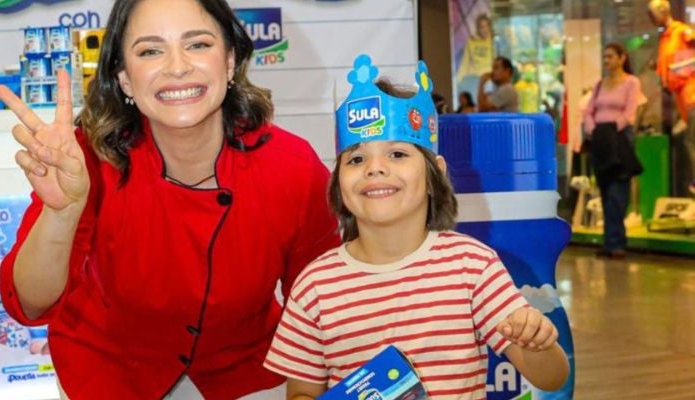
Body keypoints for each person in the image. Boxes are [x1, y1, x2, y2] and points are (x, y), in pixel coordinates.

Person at [0, 0, 340, 398]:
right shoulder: (86, 157)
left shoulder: (291, 165)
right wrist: (61, 212)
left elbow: (319, 305)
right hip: (109, 373)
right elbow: (30, 304)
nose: (177, 67)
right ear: (124, 78)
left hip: (246, 373)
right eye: (150, 50)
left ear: (229, 61)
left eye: (198, 45)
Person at [263, 54, 570, 399]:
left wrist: (537, 342)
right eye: (357, 159)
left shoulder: (471, 266)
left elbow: (552, 378)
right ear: (337, 181)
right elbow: (300, 392)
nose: (375, 168)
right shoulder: (315, 286)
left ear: (434, 173)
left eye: (397, 154)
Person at [583, 43, 644, 259]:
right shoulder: (600, 84)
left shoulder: (631, 82)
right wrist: (593, 129)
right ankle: (610, 241)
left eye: (610, 56)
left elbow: (630, 112)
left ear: (622, 57)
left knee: (619, 190)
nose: (607, 61)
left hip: (619, 138)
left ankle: (617, 241)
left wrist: (610, 129)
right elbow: (589, 110)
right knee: (606, 189)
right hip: (600, 139)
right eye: (605, 57)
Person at [648, 0, 695, 196]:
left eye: (652, 14)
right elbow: (666, 67)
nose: (651, 19)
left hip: (692, 94)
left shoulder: (682, 32)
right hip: (682, 100)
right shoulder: (665, 38)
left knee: (692, 142)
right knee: (688, 142)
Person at [456, 14, 497, 101]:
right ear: (478, 29)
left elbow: (496, 62)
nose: (484, 29)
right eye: (482, 27)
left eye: (486, 26)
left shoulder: (493, 41)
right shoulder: (471, 42)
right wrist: (458, 80)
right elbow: (465, 62)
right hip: (474, 79)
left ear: (489, 27)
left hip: (489, 79)